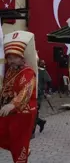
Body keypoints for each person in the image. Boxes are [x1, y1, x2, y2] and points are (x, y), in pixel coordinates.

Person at [0, 31, 38, 163]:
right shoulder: (10, 71)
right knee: (4, 136)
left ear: (22, 58)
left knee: (18, 143)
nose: (11, 61)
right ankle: (24, 150)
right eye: (9, 58)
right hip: (7, 111)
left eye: (14, 57)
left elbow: (25, 91)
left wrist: (13, 104)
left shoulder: (28, 72)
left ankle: (22, 155)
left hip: (23, 112)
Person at [32, 58, 50, 138]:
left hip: (38, 94)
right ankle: (40, 122)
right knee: (32, 112)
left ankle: (32, 132)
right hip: (32, 93)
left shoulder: (40, 71)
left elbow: (48, 80)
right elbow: (49, 80)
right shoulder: (38, 71)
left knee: (34, 111)